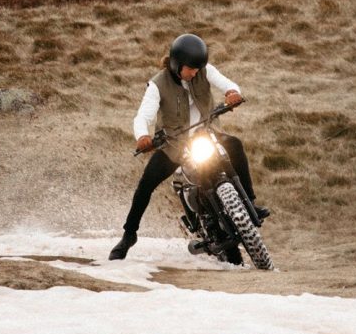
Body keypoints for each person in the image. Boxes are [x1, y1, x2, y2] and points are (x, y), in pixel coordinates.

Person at [109, 33, 268, 260]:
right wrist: (143, 136)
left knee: (235, 145)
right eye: (191, 69)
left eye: (197, 68)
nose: (195, 73)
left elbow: (227, 83)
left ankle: (249, 203)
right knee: (145, 185)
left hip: (207, 135)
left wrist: (233, 92)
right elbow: (142, 117)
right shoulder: (157, 84)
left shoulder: (204, 70)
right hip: (174, 144)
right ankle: (129, 235)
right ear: (177, 65)